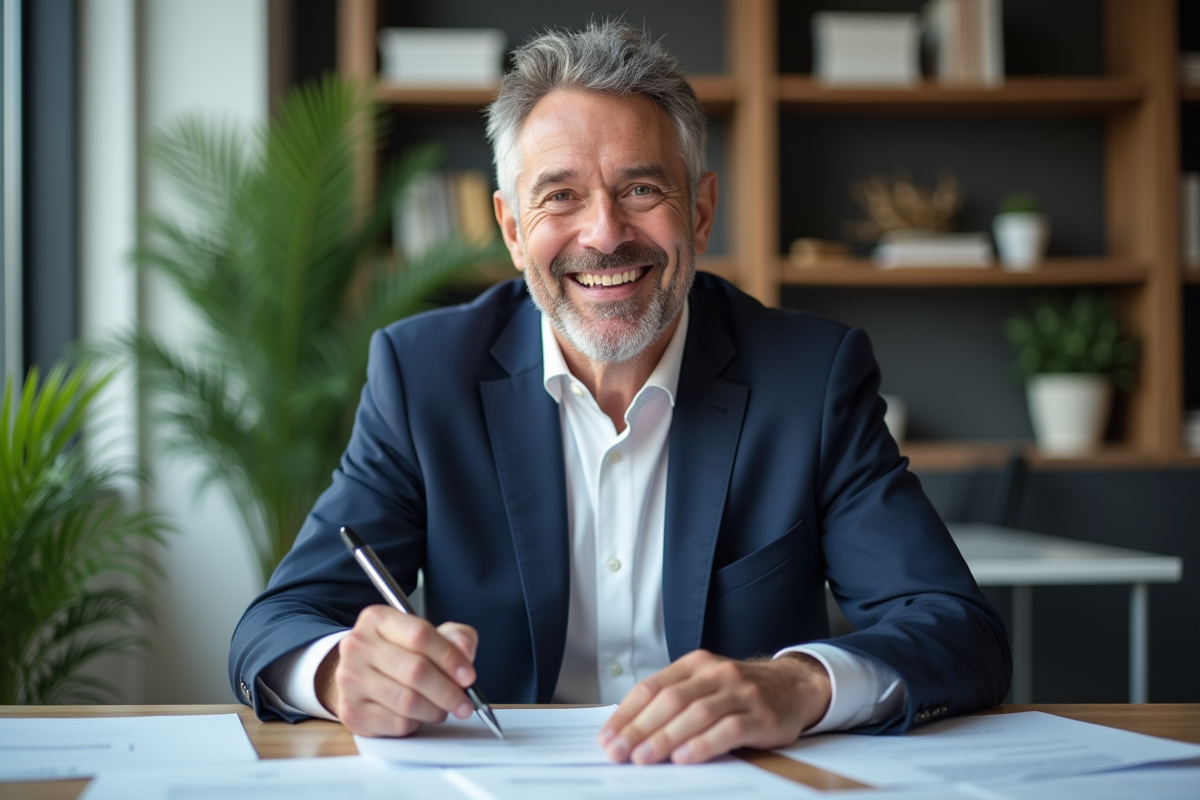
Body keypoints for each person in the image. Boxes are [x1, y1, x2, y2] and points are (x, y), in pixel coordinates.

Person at [229, 20, 1010, 765]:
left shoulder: (810, 375)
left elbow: (955, 629)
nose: (603, 234)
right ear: (509, 228)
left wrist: (798, 684)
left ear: (701, 212)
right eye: (559, 196)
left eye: (640, 190)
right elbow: (275, 625)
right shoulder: (422, 374)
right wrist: (338, 673)